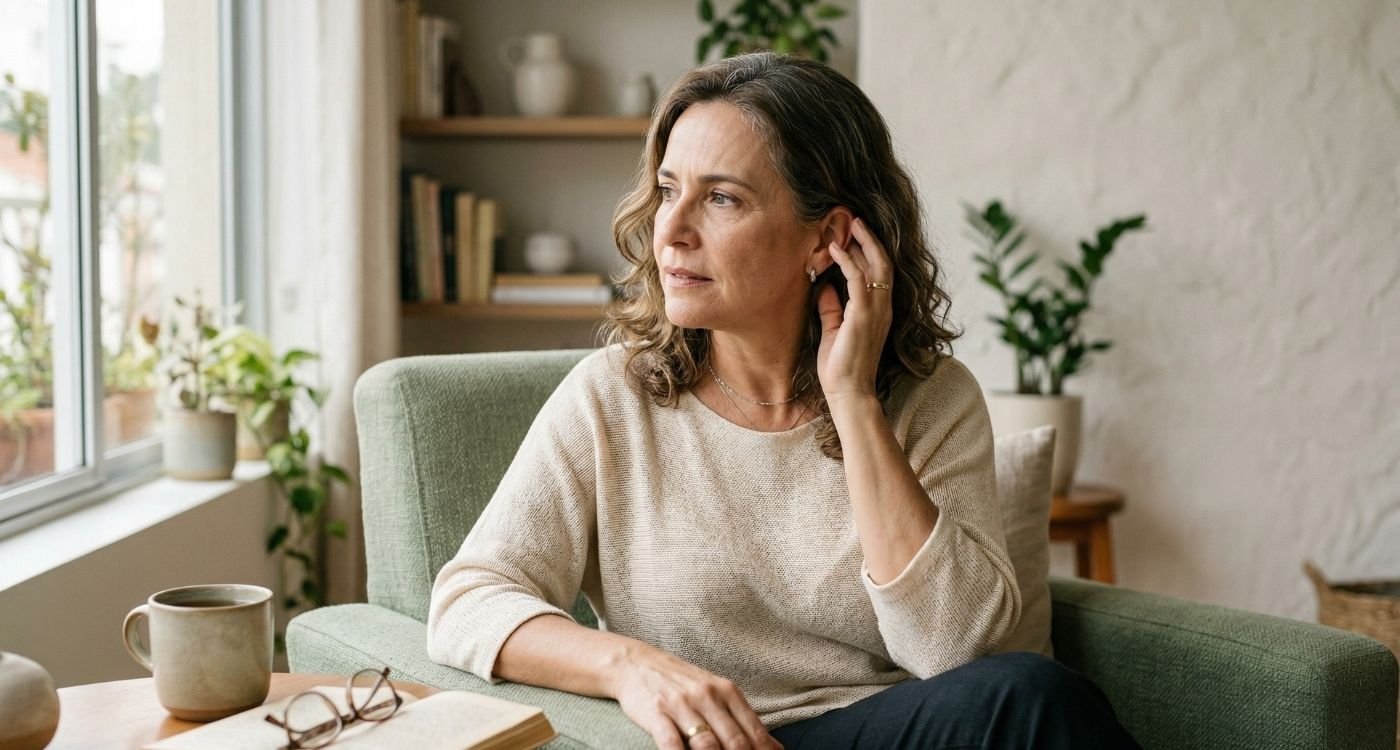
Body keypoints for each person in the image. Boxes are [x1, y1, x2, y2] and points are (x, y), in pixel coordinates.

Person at [427, 52, 1141, 750]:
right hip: (715, 743)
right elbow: (467, 602)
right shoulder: (613, 397)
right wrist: (633, 668)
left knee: (1031, 697)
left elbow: (960, 654)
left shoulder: (931, 398)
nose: (671, 230)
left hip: (890, 728)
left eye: (722, 198)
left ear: (827, 237)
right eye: (670, 190)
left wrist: (853, 399)